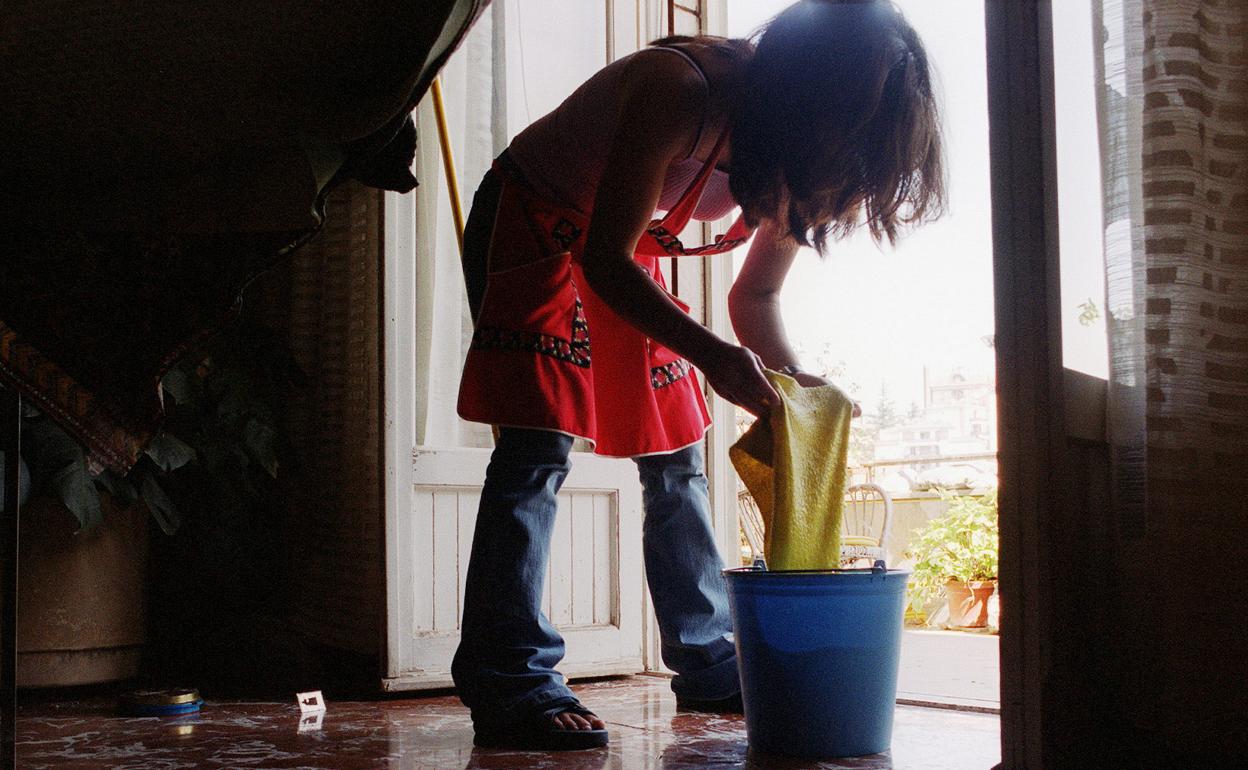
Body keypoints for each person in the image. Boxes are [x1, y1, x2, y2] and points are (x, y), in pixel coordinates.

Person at [451, 0, 944, 751]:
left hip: (621, 251)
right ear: (807, 105)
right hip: (536, 220)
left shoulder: (792, 161)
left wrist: (795, 387)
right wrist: (714, 356)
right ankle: (508, 674)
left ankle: (709, 658)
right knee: (536, 448)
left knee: (676, 454)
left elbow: (757, 297)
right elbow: (604, 262)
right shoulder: (679, 91)